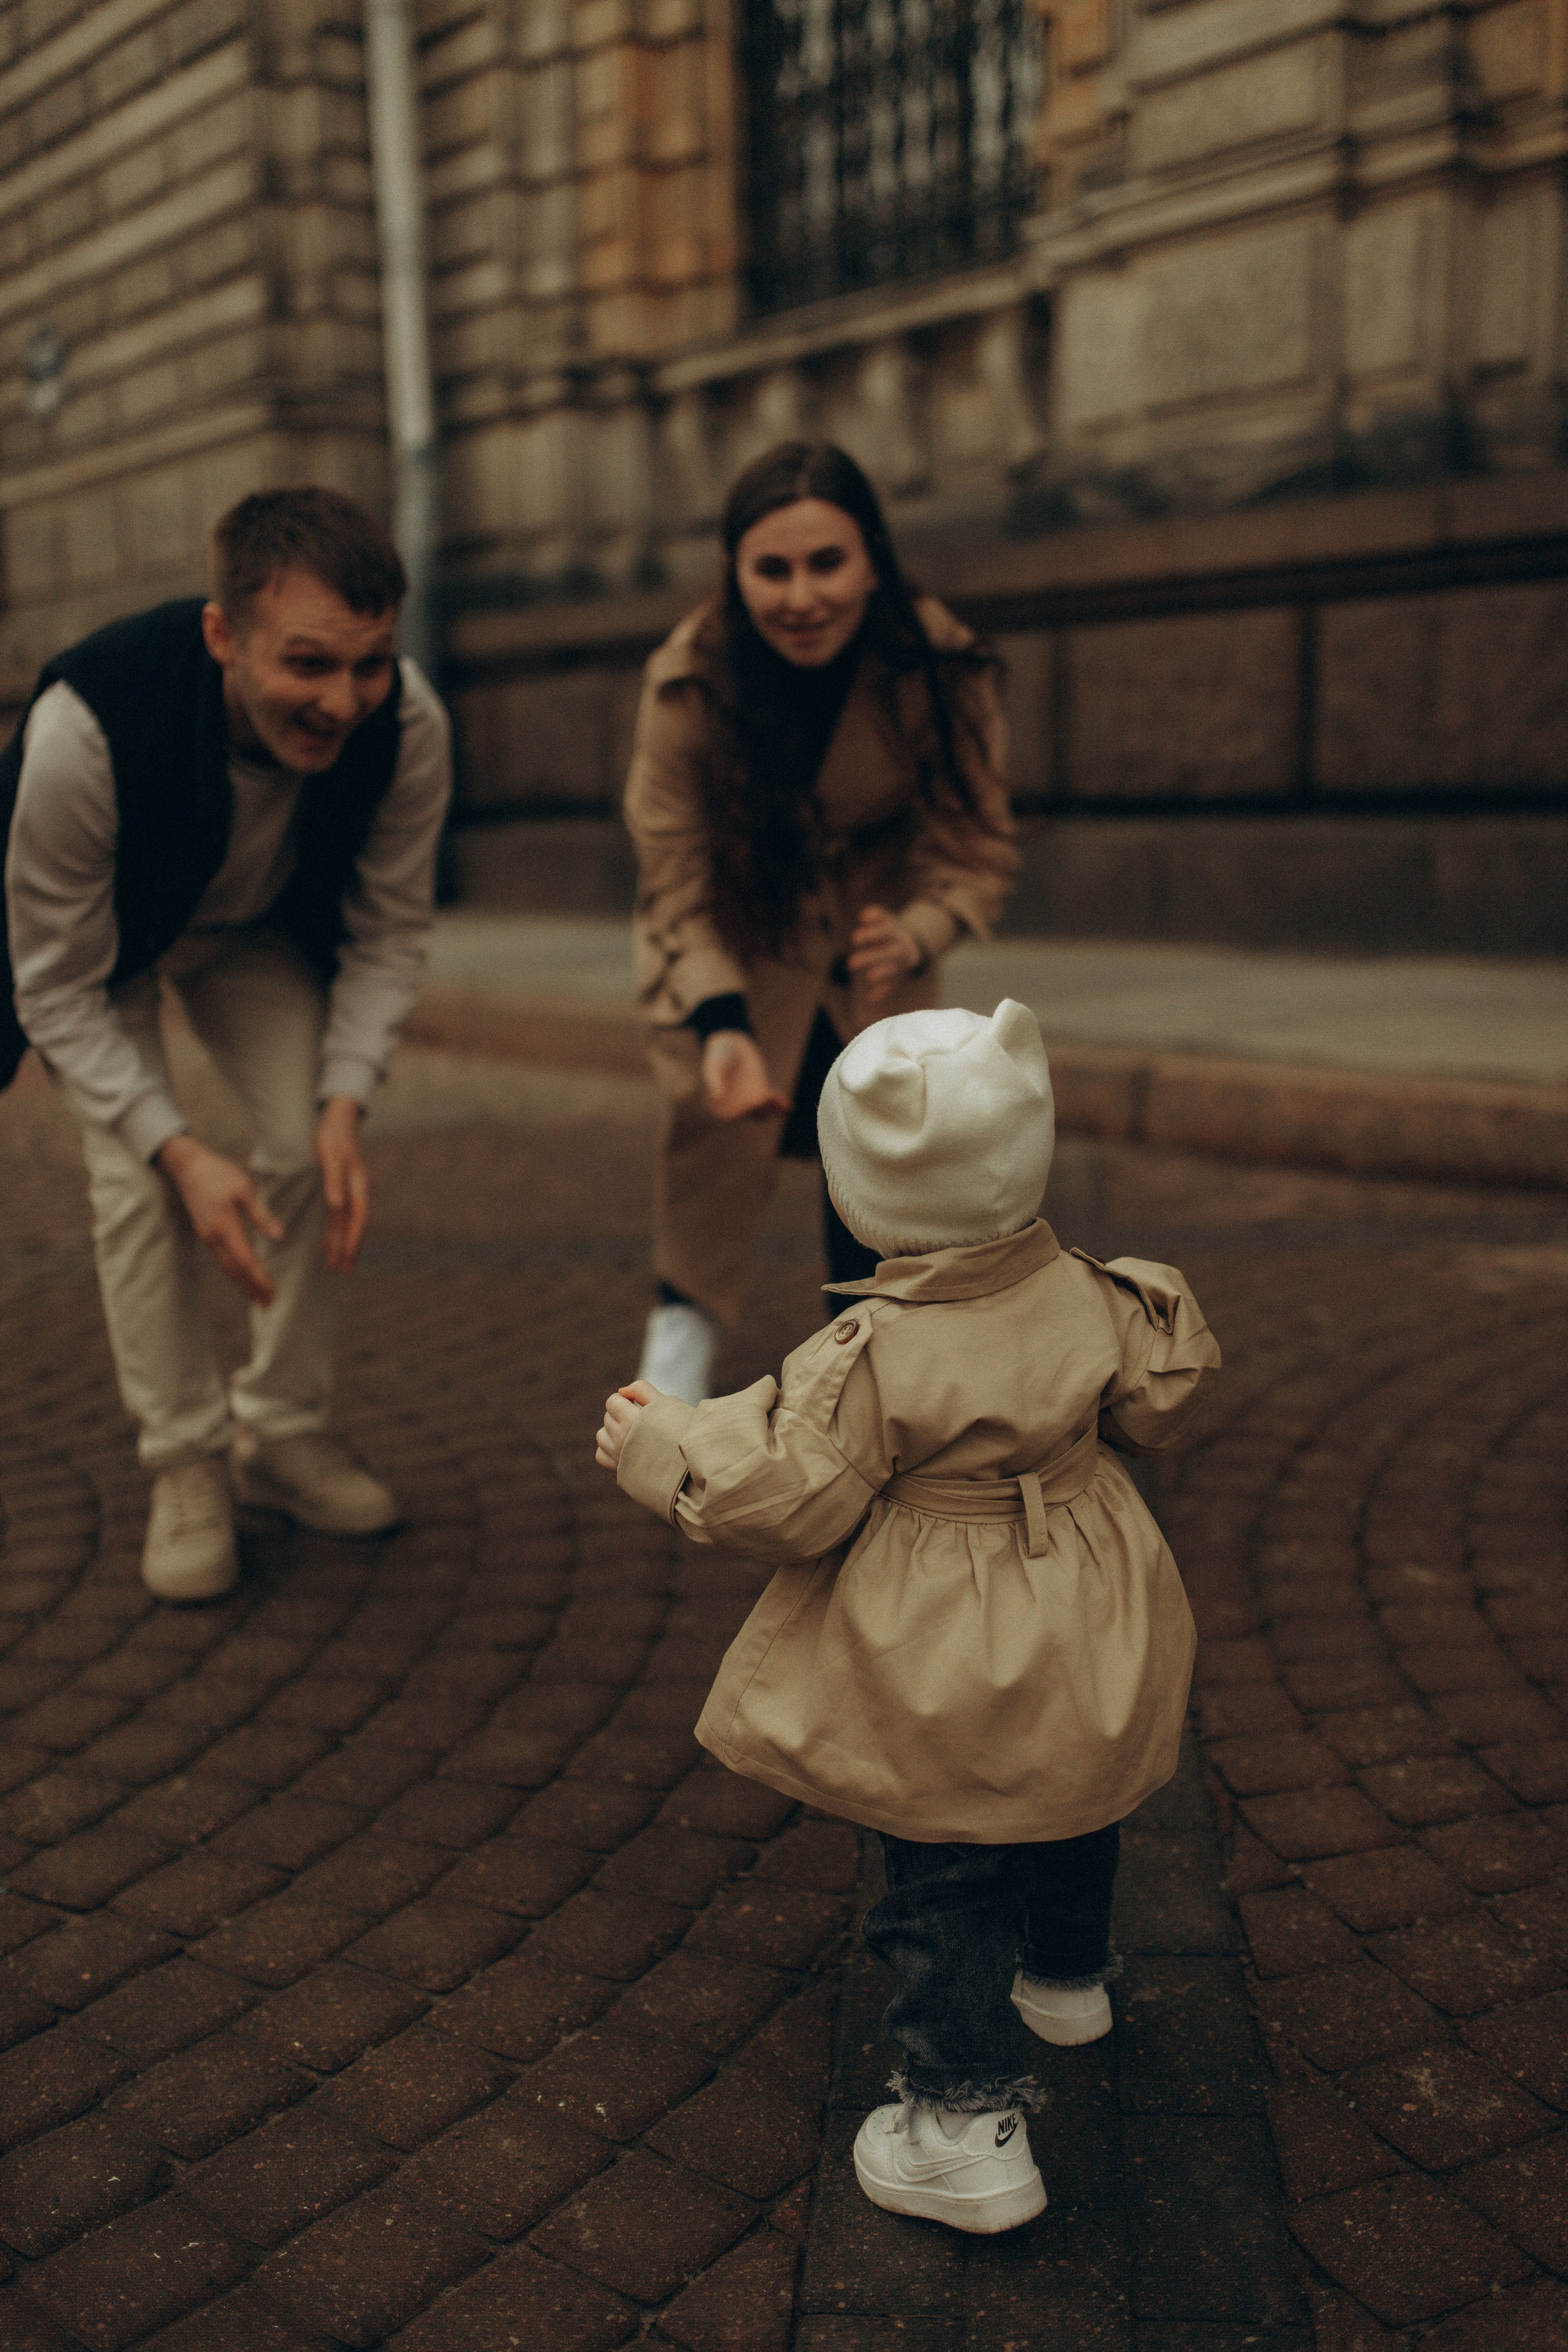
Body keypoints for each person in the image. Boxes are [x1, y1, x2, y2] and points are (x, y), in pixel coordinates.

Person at [596, 1000, 1220, 2234]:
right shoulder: (1084, 1290)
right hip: (1085, 1578)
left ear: (863, 1189)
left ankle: (960, 2127)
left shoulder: (871, 1349)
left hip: (952, 1623)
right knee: (1070, 1784)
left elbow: (787, 1496)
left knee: (945, 1853)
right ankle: (1065, 1979)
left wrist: (664, 1446)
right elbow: (1161, 1398)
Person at [1, 487, 451, 1603]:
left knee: (305, 1149)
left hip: (256, 933)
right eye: (307, 663)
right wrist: (179, 1151)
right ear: (223, 635)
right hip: (107, 951)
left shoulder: (410, 726)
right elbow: (53, 984)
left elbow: (391, 930)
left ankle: (280, 1433)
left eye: (370, 663)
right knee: (139, 1185)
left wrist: (345, 1099)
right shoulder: (85, 729)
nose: (343, 701)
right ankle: (186, 1463)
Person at [623, 439, 1016, 1404]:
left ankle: (874, 1387)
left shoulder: (936, 661)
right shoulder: (688, 681)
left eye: (827, 563)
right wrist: (720, 1021)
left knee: (882, 1171)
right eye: (773, 570)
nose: (802, 597)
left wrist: (922, 930)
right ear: (735, 574)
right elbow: (674, 878)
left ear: (872, 561)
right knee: (714, 1150)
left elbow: (975, 836)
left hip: (875, 956)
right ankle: (674, 1363)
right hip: (740, 942)